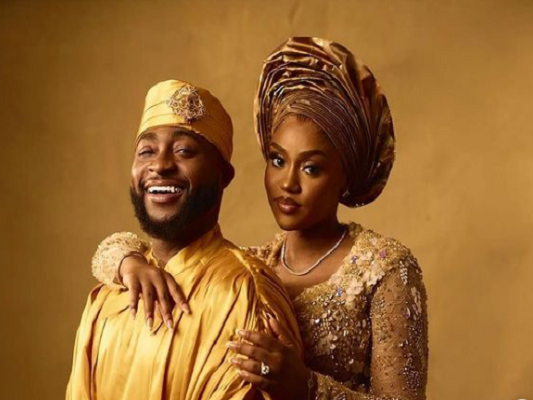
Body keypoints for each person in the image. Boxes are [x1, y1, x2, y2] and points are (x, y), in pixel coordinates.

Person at [91, 38, 428, 400]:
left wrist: (306, 387)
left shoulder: (384, 268)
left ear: (346, 175)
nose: (288, 183)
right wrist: (128, 262)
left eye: (311, 168)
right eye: (278, 161)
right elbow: (129, 251)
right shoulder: (254, 266)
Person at [66, 79, 302, 400]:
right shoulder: (106, 299)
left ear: (223, 176)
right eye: (146, 151)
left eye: (184, 151)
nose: (160, 165)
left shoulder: (247, 292)